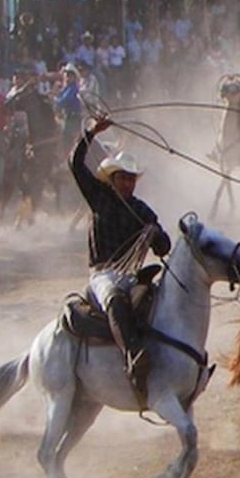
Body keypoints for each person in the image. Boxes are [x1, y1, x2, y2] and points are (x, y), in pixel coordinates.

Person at [70, 115, 171, 387]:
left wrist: (155, 233)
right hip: (102, 276)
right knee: (115, 298)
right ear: (112, 178)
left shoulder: (141, 210)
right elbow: (75, 164)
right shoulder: (99, 197)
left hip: (130, 275)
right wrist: (91, 132)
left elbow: (164, 246)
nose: (128, 183)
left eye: (131, 179)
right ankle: (132, 355)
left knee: (154, 298)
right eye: (123, 178)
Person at [55, 63, 83, 147]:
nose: (67, 78)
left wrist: (54, 101)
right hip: (68, 116)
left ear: (74, 77)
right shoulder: (67, 88)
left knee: (67, 137)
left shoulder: (73, 88)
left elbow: (65, 100)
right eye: (66, 75)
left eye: (69, 76)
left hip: (73, 118)